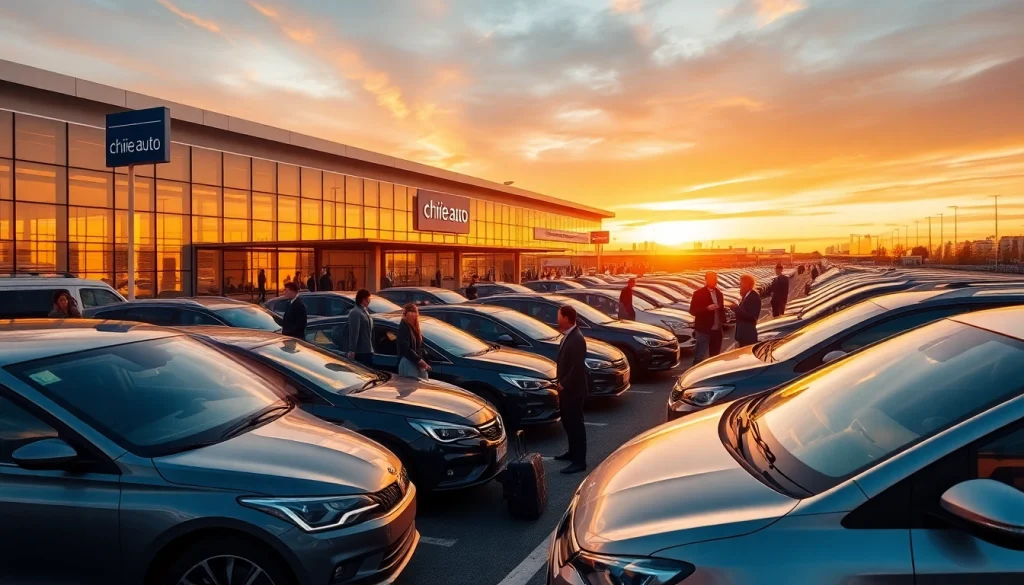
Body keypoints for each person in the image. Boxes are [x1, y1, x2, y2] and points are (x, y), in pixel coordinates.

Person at [554, 305, 588, 474]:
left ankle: (579, 461)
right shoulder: (568, 336)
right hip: (566, 390)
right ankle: (572, 452)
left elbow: (577, 368)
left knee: (576, 424)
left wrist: (564, 383)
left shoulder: (577, 339)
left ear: (567, 318)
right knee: (568, 422)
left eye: (559, 316)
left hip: (573, 390)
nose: (557, 319)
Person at [688, 271, 727, 366]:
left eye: (716, 278)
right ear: (706, 280)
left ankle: (713, 376)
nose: (716, 281)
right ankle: (694, 376)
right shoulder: (698, 293)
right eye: (713, 279)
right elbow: (693, 311)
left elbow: (721, 309)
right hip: (704, 330)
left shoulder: (719, 293)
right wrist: (707, 308)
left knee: (715, 357)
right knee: (700, 357)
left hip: (717, 331)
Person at [397, 303, 431, 379]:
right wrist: (419, 360)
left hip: (414, 362)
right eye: (411, 312)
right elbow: (405, 348)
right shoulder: (404, 326)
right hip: (409, 362)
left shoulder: (414, 328)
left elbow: (420, 346)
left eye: (414, 313)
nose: (413, 315)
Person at [731, 274, 761, 347]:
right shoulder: (746, 295)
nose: (739, 285)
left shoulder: (754, 297)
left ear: (746, 284)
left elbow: (752, 317)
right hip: (743, 336)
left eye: (741, 283)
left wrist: (736, 309)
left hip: (748, 336)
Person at [347, 289, 374, 368]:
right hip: (361, 352)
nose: (369, 301)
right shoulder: (355, 312)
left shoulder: (365, 311)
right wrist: (352, 350)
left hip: (368, 350)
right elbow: (354, 333)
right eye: (368, 298)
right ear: (363, 299)